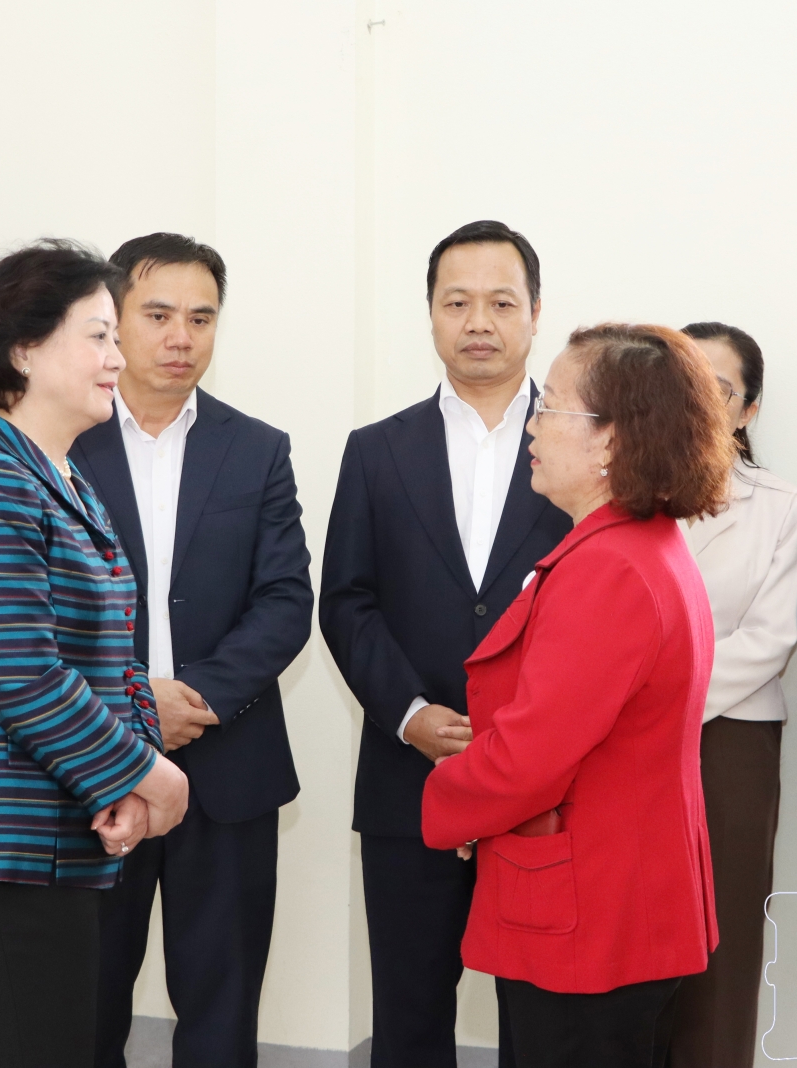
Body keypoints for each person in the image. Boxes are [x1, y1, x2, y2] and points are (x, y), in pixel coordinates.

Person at [0, 241, 190, 1068]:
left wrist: (122, 777)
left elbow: (112, 656)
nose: (118, 358)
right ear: (24, 350)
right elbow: (24, 677)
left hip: (56, 836)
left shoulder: (60, 477)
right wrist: (147, 774)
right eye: (98, 336)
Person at [423, 322, 734, 1068]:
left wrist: (448, 799)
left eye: (551, 406)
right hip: (618, 895)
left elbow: (531, 756)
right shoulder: (638, 544)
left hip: (594, 910)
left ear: (610, 441)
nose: (532, 424)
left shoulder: (609, 570)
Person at [319, 220, 571, 1068]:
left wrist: (524, 734)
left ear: (536, 313)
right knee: (409, 1011)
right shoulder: (376, 451)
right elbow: (346, 601)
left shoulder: (583, 449)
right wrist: (411, 714)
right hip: (410, 778)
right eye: (457, 302)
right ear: (430, 313)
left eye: (501, 302)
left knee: (541, 1019)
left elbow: (596, 609)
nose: (479, 322)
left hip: (545, 785)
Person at [75, 233, 313, 1068]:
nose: (182, 336)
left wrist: (198, 696)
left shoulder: (257, 448)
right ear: (113, 321)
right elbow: (33, 613)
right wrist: (136, 702)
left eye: (202, 318)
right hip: (91, 764)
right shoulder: (59, 443)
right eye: (159, 315)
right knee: (83, 1002)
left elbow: (285, 601)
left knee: (222, 1007)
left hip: (227, 766)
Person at [666, 322, 797, 1068]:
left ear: (748, 410)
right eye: (681, 380)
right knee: (635, 929)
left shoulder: (781, 505)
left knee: (722, 934)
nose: (695, 399)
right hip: (622, 741)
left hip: (731, 741)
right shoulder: (616, 489)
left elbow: (769, 640)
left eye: (717, 389)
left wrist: (660, 701)